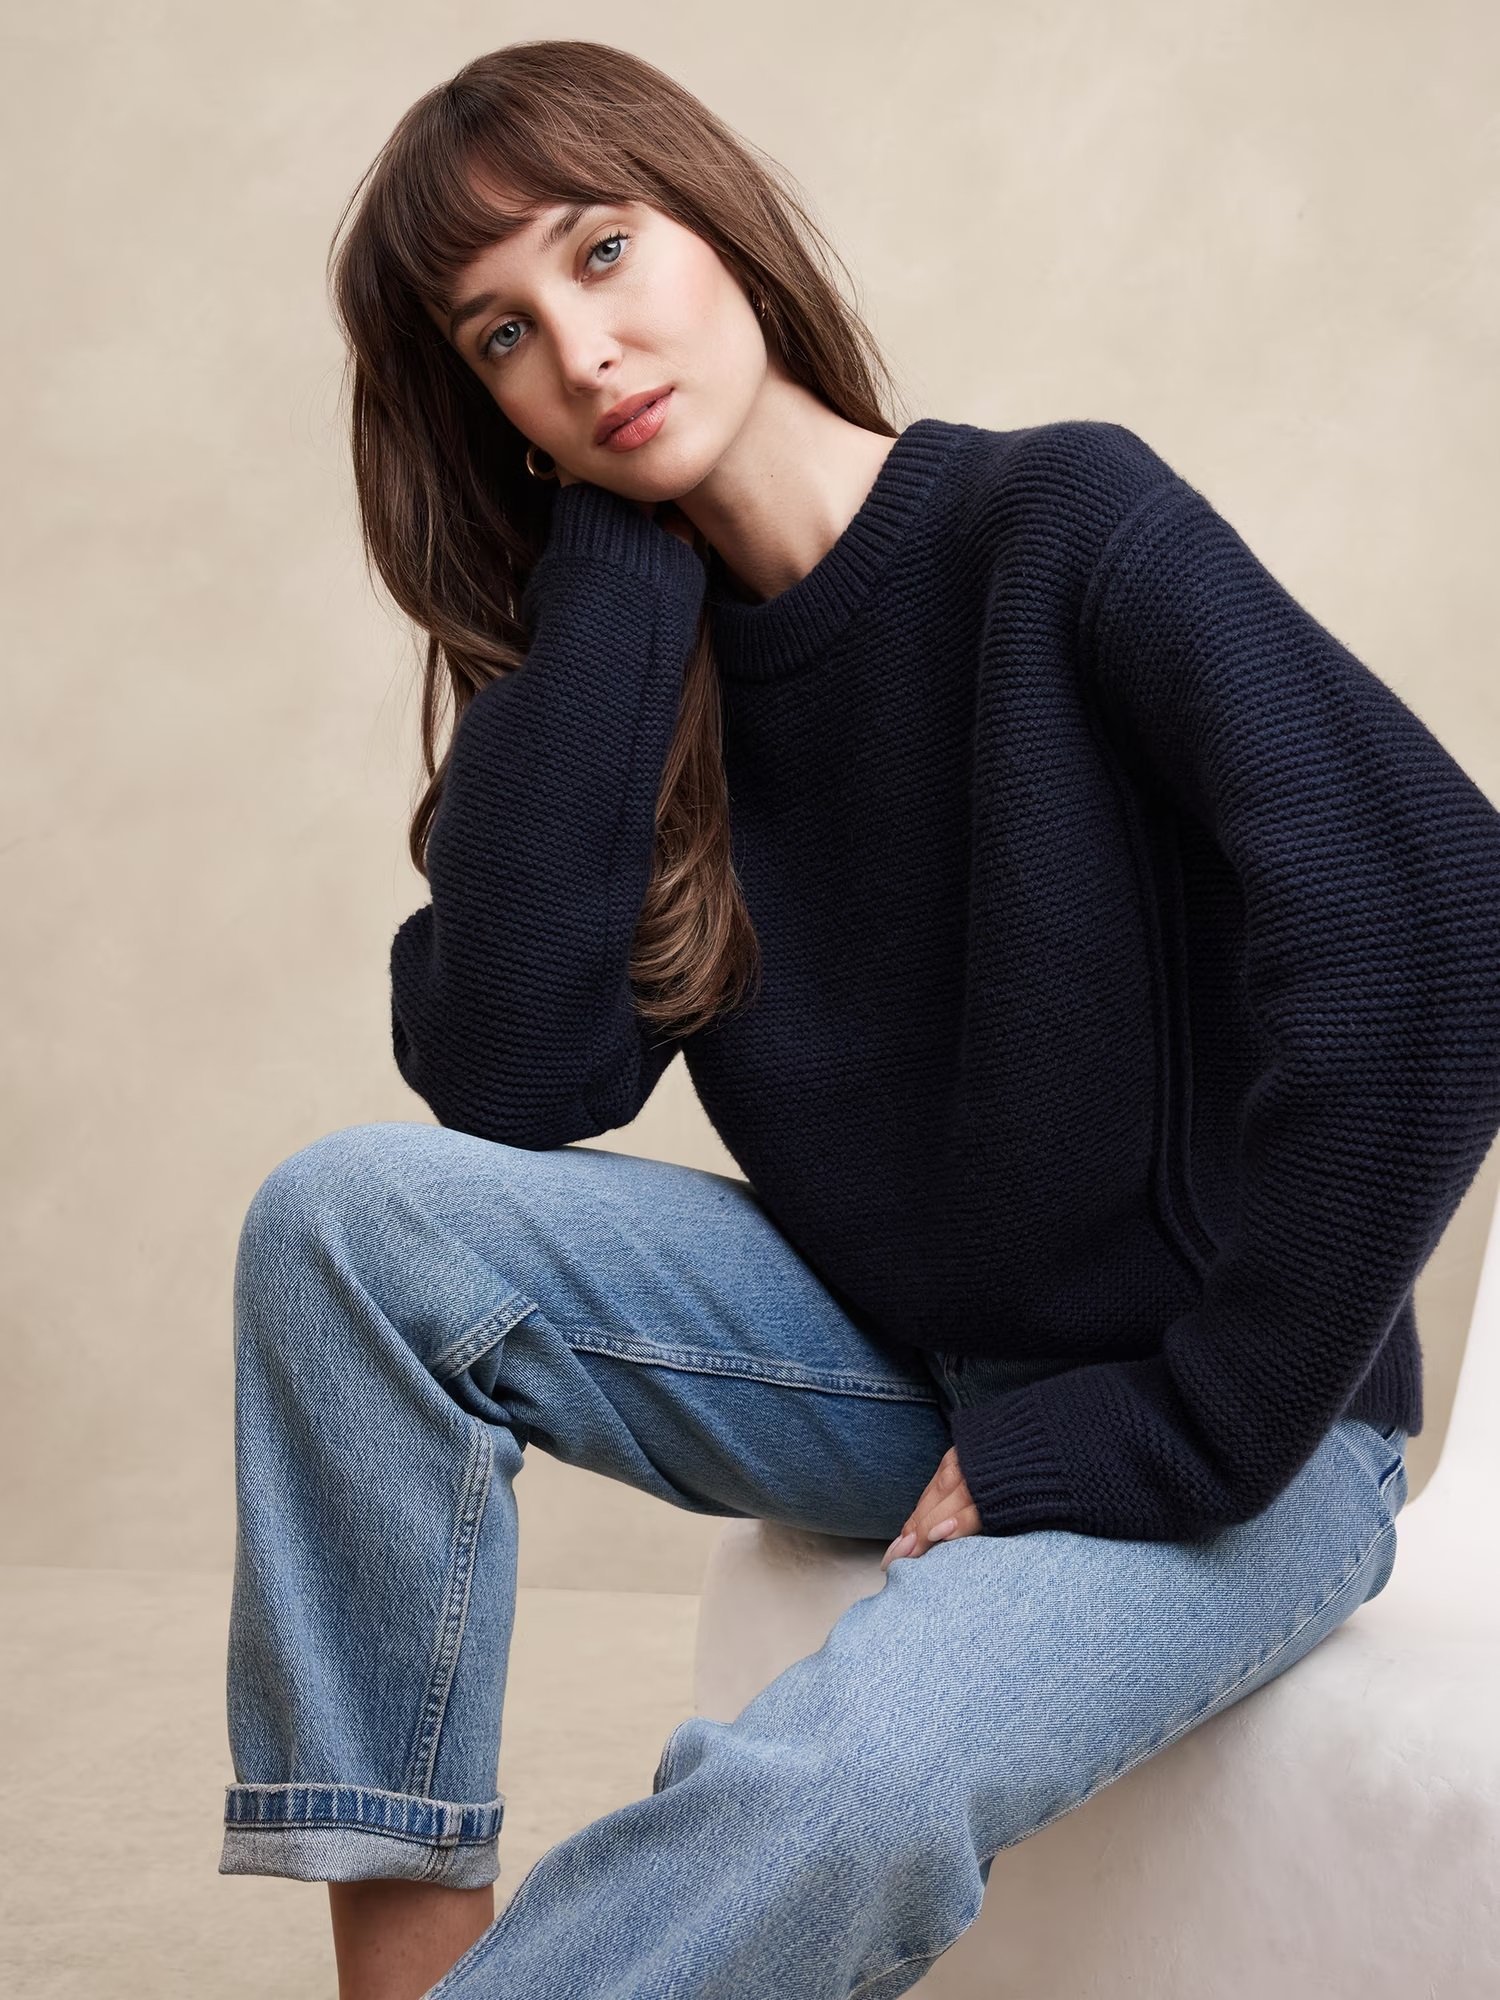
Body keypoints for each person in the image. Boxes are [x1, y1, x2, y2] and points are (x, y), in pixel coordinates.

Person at [217, 37, 1500, 2000]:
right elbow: (513, 1073)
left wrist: (1183, 1423)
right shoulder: (630, 670)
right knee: (343, 1225)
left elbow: (1442, 931)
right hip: (898, 1361)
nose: (582, 347)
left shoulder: (1060, 526)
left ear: (720, 227)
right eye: (502, 338)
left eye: (604, 251)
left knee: (853, 1779)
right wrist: (616, 587)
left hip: (1246, 1426)